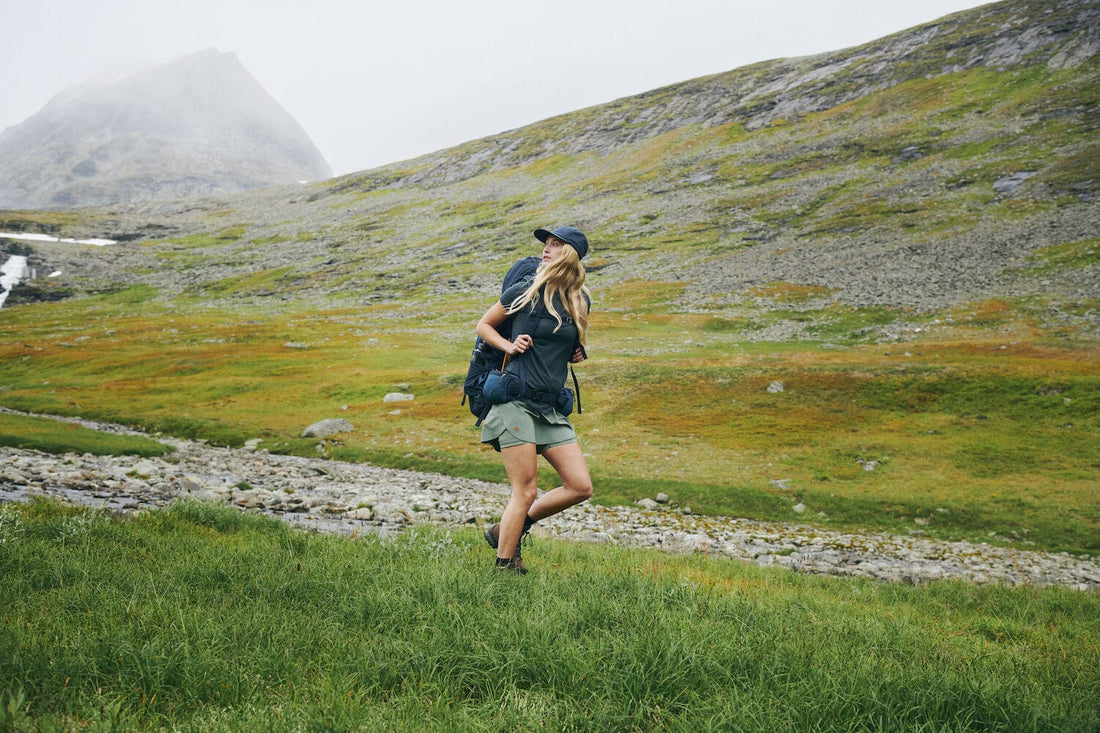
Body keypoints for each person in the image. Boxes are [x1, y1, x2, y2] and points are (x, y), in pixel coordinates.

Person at [476, 226, 594, 574]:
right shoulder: (525, 290)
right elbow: (484, 325)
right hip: (514, 400)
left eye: (556, 244)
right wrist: (508, 346)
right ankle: (504, 566)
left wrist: (574, 352)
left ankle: (505, 531)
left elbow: (564, 339)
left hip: (549, 406)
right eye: (546, 243)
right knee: (525, 489)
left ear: (571, 253)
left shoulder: (579, 299)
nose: (547, 249)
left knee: (580, 486)